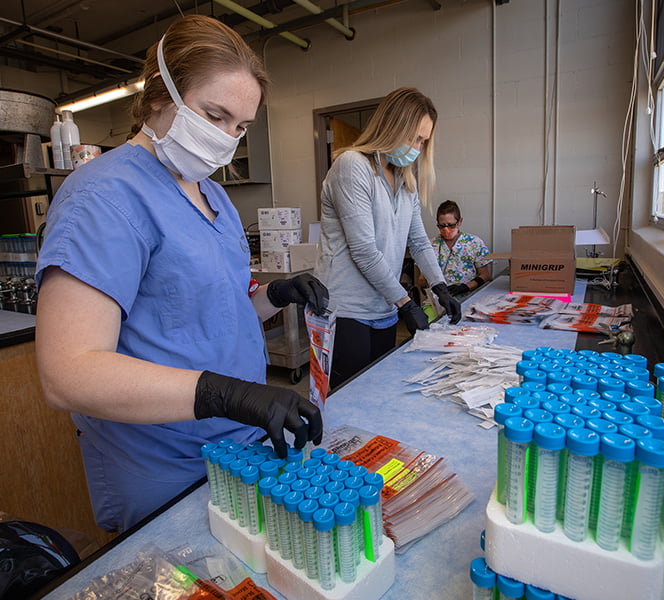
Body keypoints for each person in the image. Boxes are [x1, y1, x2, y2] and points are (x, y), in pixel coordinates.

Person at [34, 15, 327, 533]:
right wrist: (226, 393)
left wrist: (275, 295)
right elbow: (68, 372)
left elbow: (216, 309)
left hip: (239, 444)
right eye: (214, 114)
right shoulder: (102, 197)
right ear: (156, 98)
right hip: (162, 466)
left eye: (240, 127)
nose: (226, 139)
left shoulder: (213, 194)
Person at [316, 87, 461, 391]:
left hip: (384, 307)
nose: (418, 148)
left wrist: (440, 287)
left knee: (378, 393)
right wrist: (407, 304)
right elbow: (364, 251)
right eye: (415, 138)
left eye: (424, 141)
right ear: (392, 127)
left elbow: (419, 241)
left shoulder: (405, 178)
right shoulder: (352, 166)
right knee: (350, 399)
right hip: (347, 311)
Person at [428, 200, 492, 295]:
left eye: (451, 225)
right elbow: (421, 279)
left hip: (468, 295)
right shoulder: (430, 245)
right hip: (439, 298)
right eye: (442, 226)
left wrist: (466, 287)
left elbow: (486, 275)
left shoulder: (474, 243)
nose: (446, 230)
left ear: (460, 222)